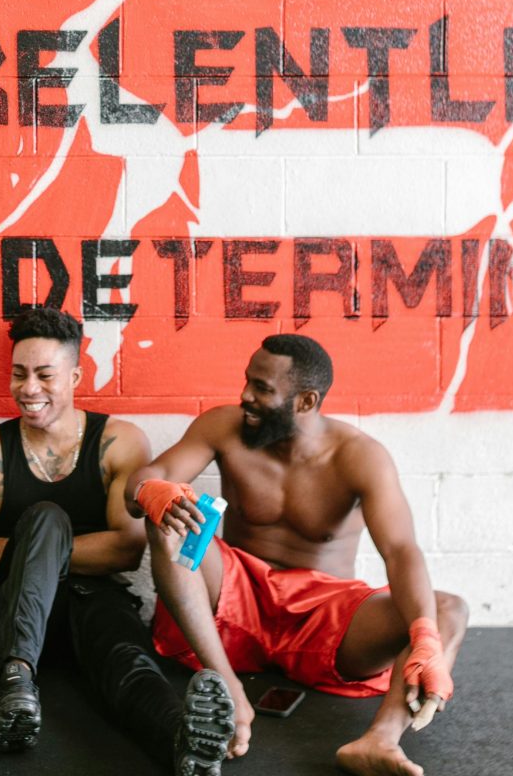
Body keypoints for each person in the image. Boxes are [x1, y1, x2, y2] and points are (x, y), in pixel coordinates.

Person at [125, 333, 469, 776]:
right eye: (247, 381)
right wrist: (152, 491)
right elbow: (146, 482)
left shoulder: (361, 456)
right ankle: (227, 688)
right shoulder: (222, 427)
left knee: (448, 611)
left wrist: (424, 639)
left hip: (322, 617)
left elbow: (401, 551)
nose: (245, 395)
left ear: (306, 401)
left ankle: (379, 742)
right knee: (167, 520)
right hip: (233, 601)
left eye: (263, 389)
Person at [0, 307, 235, 776]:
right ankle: (17, 681)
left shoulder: (120, 441)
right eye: (19, 374)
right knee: (47, 517)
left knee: (130, 666)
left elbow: (127, 551)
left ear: (75, 375)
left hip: (98, 601)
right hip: (20, 624)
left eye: (44, 375)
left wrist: (13, 550)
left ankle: (183, 741)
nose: (29, 389)